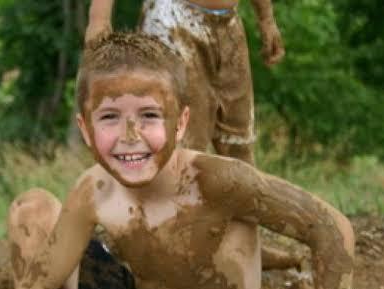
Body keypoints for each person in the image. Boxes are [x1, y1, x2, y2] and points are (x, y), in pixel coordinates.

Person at [9, 32, 354, 289]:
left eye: (149, 115)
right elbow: (36, 288)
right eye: (110, 116)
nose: (130, 134)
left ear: (182, 122)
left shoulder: (218, 182)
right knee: (31, 207)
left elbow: (331, 229)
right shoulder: (95, 189)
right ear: (85, 128)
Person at [87, 0, 299, 272]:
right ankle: (157, 244)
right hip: (172, 21)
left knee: (239, 143)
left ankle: (245, 243)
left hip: (229, 25)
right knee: (177, 143)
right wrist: (99, 19)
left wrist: (266, 19)